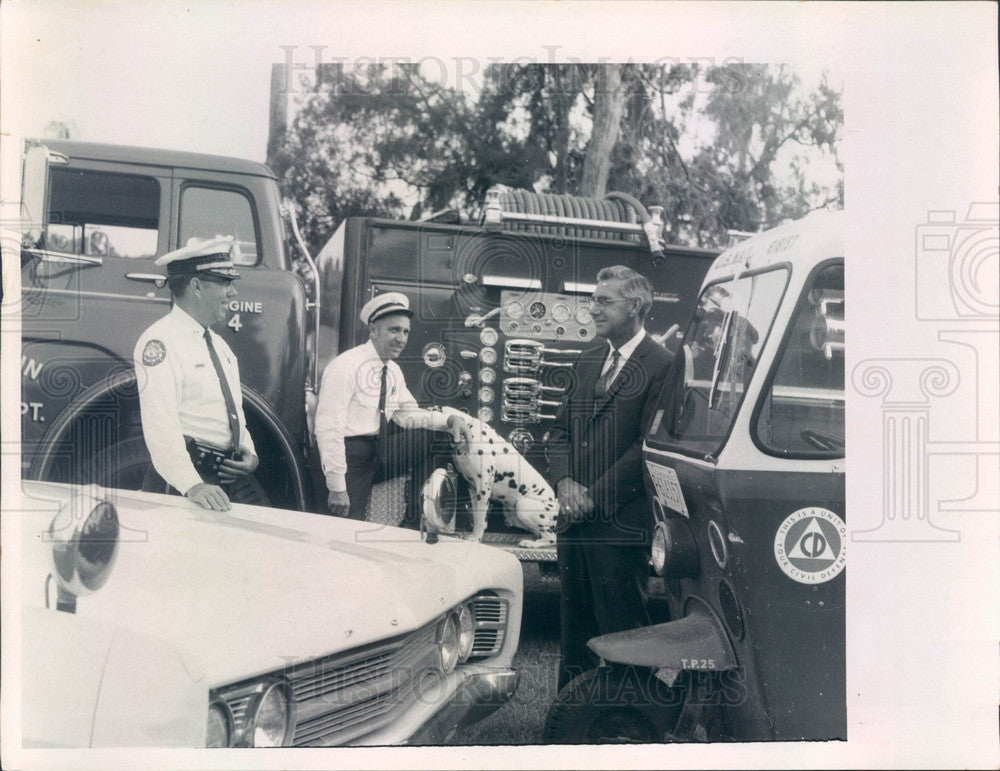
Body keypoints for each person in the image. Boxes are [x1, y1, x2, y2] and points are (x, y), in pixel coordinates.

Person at [547, 265, 674, 690]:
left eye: (604, 301)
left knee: (623, 627)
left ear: (635, 306)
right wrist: (565, 484)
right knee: (574, 628)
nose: (592, 309)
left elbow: (647, 447)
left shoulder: (663, 365)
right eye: (593, 300)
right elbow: (560, 432)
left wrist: (594, 497)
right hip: (572, 519)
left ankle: (629, 717)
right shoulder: (587, 359)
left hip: (619, 520)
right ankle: (569, 718)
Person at [133, 236, 259, 512]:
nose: (233, 293)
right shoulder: (160, 342)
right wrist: (192, 485)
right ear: (197, 286)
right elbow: (160, 427)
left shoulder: (221, 346)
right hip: (182, 485)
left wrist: (249, 452)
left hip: (218, 484)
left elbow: (232, 411)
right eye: (225, 283)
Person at [314, 292, 463, 522]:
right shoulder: (345, 367)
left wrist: (448, 421)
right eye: (394, 330)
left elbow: (407, 414)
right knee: (344, 531)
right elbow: (328, 428)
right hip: (349, 456)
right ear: (373, 330)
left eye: (405, 332)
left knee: (436, 438)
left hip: (378, 451)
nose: (401, 339)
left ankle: (415, 519)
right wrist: (337, 486)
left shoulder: (392, 371)